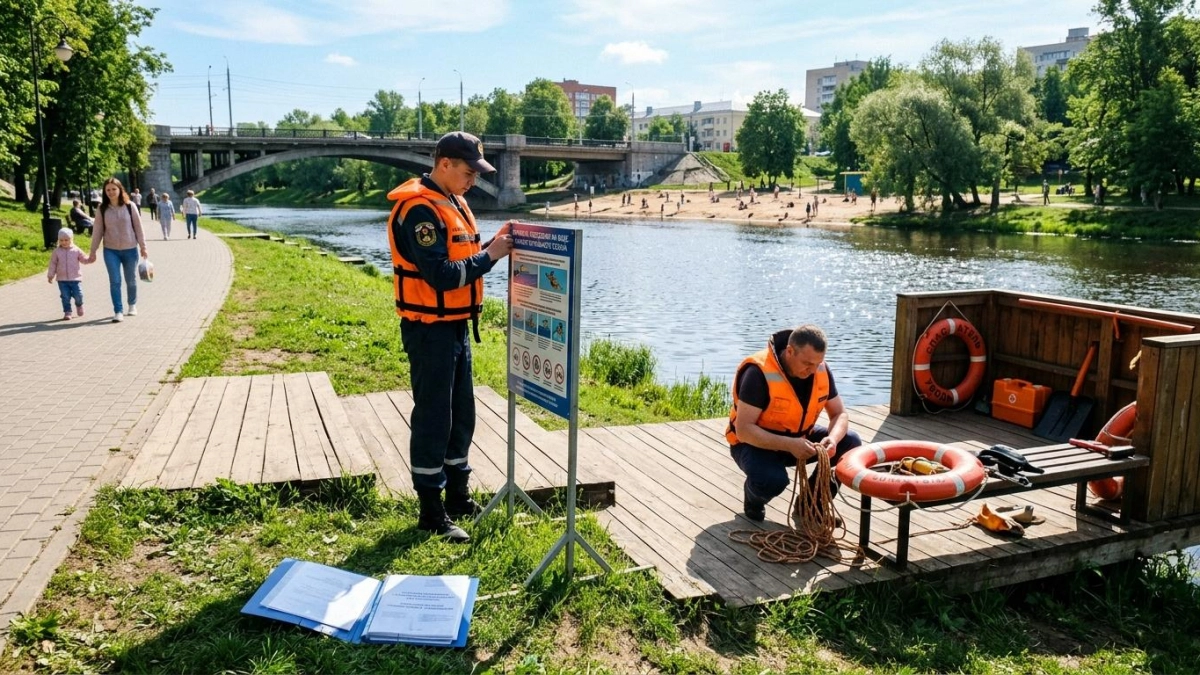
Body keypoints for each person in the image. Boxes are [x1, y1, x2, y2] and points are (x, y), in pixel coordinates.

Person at [386, 131, 514, 542]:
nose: (473, 180)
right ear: (444, 165)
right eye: (467, 171)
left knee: (462, 414)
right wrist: (491, 255)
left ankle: (458, 496)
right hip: (429, 330)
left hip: (455, 326)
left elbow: (461, 255)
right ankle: (431, 511)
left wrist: (492, 244)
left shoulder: (453, 201)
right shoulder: (419, 211)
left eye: (478, 173)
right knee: (434, 417)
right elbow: (441, 276)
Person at [727, 325, 863, 522]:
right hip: (753, 444)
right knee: (774, 481)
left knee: (850, 442)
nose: (813, 370)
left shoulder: (819, 369)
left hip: (799, 439)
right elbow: (744, 430)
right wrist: (789, 445)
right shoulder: (758, 372)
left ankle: (811, 504)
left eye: (817, 364)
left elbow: (839, 413)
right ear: (789, 351)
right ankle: (753, 499)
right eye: (807, 364)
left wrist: (832, 439)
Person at [87, 177, 147, 322]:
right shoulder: (102, 209)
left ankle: (132, 304)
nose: (111, 192)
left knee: (131, 280)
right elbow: (97, 231)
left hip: (130, 249)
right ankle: (118, 311)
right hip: (110, 250)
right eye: (108, 190)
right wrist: (93, 251)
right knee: (115, 281)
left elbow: (138, 228)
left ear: (120, 190)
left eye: (114, 189)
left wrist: (143, 247)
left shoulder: (129, 206)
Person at [47, 228, 92, 320]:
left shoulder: (76, 250)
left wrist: (90, 259)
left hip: (75, 278)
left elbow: (84, 259)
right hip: (62, 279)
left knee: (78, 295)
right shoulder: (57, 252)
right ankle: (67, 312)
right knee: (65, 296)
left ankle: (79, 305)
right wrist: (50, 275)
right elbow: (53, 264)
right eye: (61, 240)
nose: (64, 242)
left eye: (66, 240)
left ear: (71, 239)